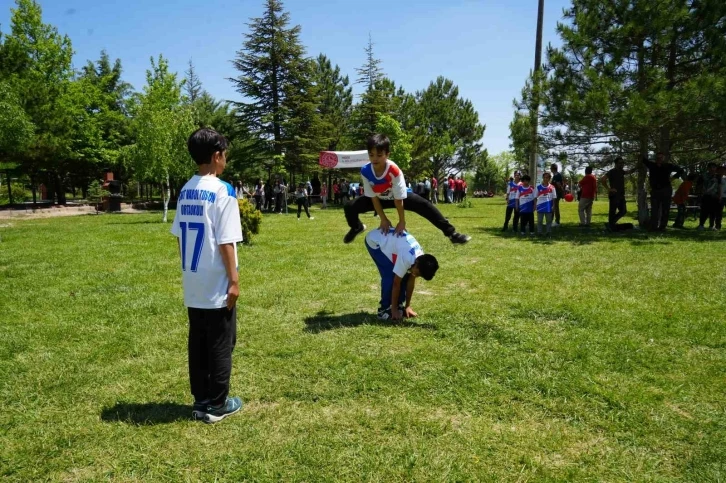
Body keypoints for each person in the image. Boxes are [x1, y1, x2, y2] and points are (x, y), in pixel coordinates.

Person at [170, 128, 243, 424]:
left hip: (193, 280)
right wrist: (234, 280)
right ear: (216, 156)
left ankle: (200, 401)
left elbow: (178, 236)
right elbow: (226, 241)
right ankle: (217, 404)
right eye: (224, 154)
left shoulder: (186, 189)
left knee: (197, 343)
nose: (225, 160)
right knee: (221, 342)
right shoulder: (222, 190)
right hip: (216, 283)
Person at [342, 134, 471, 245]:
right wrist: (383, 219)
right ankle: (356, 227)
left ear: (387, 154)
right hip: (379, 198)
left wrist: (402, 222)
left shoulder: (394, 170)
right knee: (350, 206)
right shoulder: (365, 171)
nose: (374, 158)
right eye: (371, 155)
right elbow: (373, 197)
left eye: (379, 155)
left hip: (400, 198)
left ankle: (452, 234)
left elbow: (398, 200)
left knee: (426, 206)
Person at [364, 227, 439, 321]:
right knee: (390, 276)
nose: (415, 275)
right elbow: (396, 283)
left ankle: (399, 305)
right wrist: (394, 310)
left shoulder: (420, 259)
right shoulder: (407, 258)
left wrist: (407, 306)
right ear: (417, 265)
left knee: (405, 275)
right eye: (417, 273)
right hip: (374, 241)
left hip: (389, 241)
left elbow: (411, 280)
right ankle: (383, 310)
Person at [642, 152, 685, 231]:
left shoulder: (668, 166)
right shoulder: (652, 165)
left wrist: (674, 177)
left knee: (665, 209)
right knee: (654, 209)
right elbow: (643, 160)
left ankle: (662, 227)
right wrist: (639, 154)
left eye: (661, 158)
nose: (659, 159)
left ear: (663, 158)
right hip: (655, 190)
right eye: (657, 158)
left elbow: (681, 170)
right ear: (656, 158)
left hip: (666, 190)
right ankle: (653, 227)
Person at [600, 157, 634, 231]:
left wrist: (637, 167)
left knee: (623, 211)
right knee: (612, 211)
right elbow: (603, 179)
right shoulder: (612, 171)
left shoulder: (621, 171)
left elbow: (629, 172)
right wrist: (609, 189)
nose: (622, 164)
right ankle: (611, 225)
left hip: (621, 195)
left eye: (623, 163)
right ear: (616, 164)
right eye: (620, 163)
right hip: (614, 195)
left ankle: (611, 224)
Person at [697, 162, 721, 231]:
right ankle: (701, 225)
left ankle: (711, 226)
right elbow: (699, 186)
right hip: (705, 196)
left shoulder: (717, 176)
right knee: (704, 211)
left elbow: (719, 186)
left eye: (714, 167)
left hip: (714, 196)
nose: (712, 169)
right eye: (710, 167)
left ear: (716, 168)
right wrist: (699, 194)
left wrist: (719, 195)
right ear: (708, 168)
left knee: (713, 212)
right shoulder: (703, 176)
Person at [716, 165, 726, 230]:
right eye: (721, 170)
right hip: (720, 197)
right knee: (719, 212)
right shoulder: (717, 178)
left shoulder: (725, 178)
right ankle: (718, 226)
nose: (723, 171)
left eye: (724, 170)